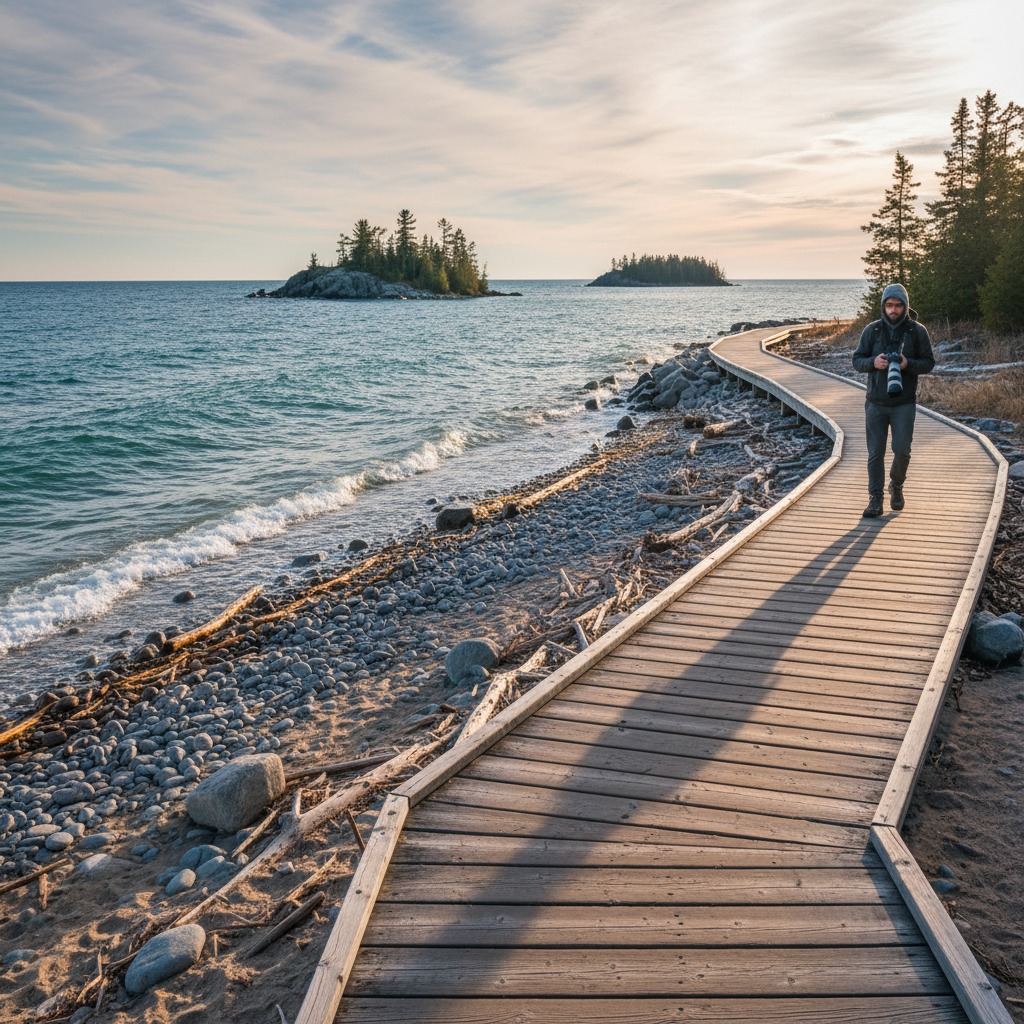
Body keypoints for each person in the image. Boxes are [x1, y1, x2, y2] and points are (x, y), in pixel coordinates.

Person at [852, 283, 935, 518]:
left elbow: (928, 362)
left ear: (906, 306)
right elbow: (857, 360)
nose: (893, 310)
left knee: (902, 451)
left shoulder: (917, 331)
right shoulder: (872, 331)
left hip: (904, 403)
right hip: (875, 402)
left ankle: (896, 485)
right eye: (889, 305)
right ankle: (875, 499)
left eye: (898, 305)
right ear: (883, 306)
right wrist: (872, 363)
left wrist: (908, 364)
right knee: (875, 453)